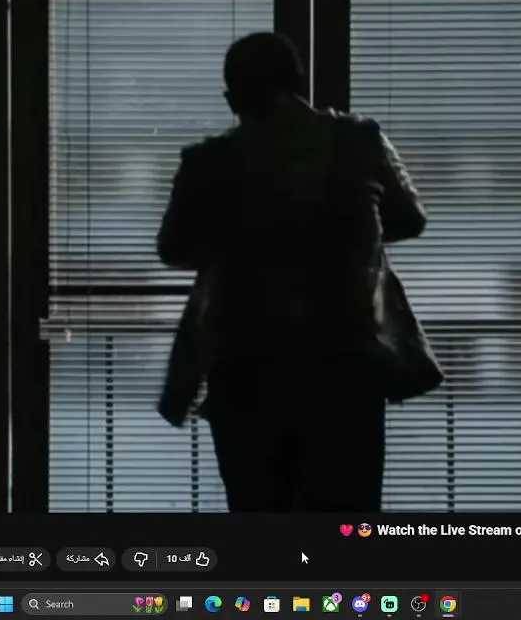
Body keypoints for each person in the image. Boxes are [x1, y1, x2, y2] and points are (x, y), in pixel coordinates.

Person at [156, 32, 428, 512]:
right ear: (301, 83)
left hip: (247, 368)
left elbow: (174, 248)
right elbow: (410, 220)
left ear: (233, 97)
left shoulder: (208, 162)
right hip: (346, 367)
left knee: (260, 513)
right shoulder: (360, 140)